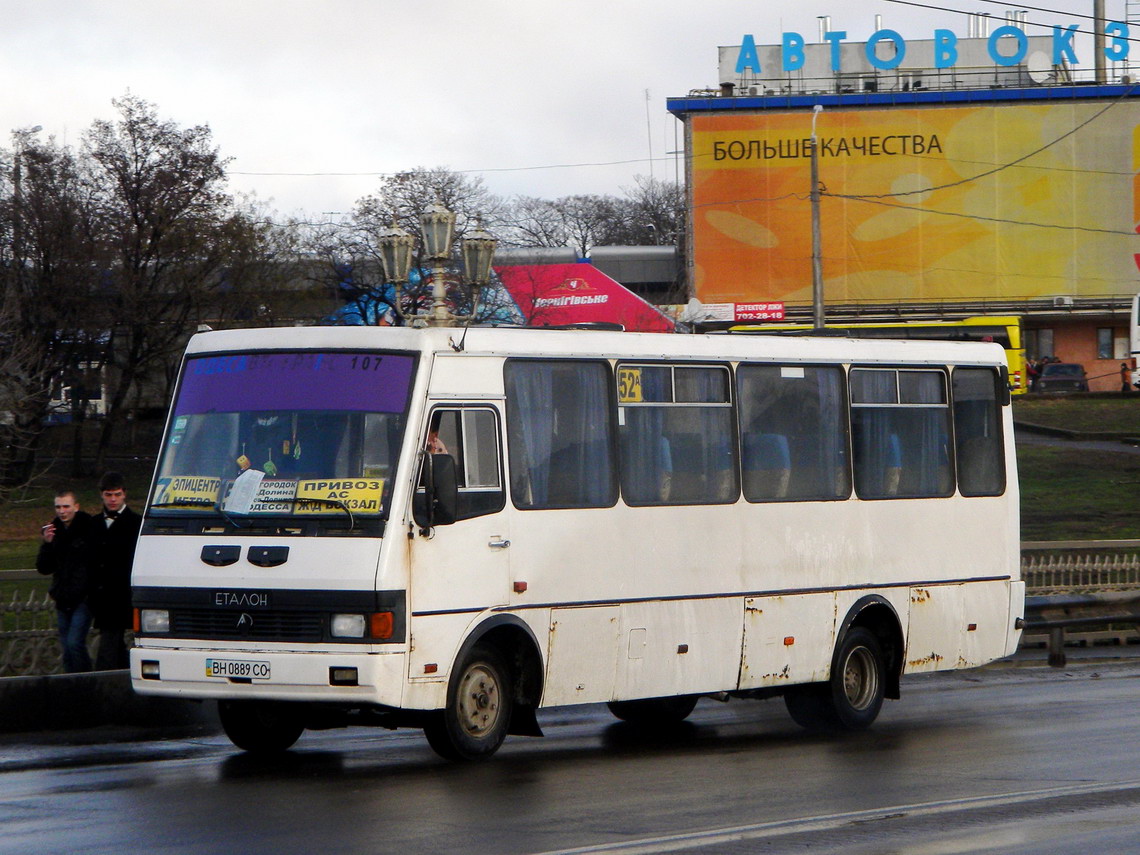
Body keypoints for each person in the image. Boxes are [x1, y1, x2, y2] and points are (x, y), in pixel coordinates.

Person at [36, 489, 97, 673]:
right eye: (58, 507)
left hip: (83, 597)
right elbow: (44, 568)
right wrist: (47, 544)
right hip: (63, 597)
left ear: (76, 507)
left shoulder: (89, 527)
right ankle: (71, 683)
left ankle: (85, 681)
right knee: (67, 647)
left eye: (66, 506)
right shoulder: (54, 531)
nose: (62, 511)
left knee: (74, 643)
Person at [91, 472, 142, 670]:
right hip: (101, 596)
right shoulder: (94, 523)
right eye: (108, 494)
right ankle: (118, 681)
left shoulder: (136, 523)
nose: (112, 499)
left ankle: (102, 684)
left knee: (110, 647)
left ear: (124, 495)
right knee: (114, 645)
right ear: (102, 495)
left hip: (123, 594)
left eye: (117, 494)